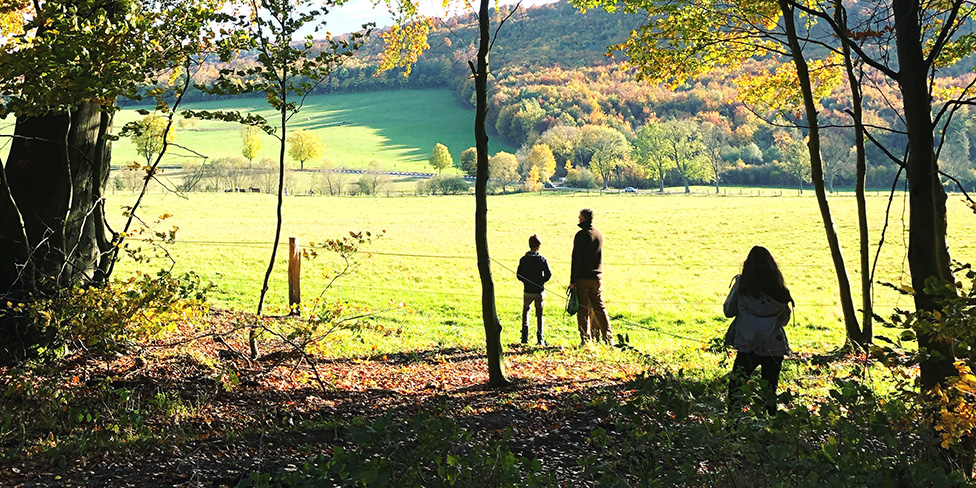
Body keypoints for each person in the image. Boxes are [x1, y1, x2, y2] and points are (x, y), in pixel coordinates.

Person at [723, 245, 793, 415]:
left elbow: (728, 311)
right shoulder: (779, 291)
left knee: (735, 390)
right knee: (769, 391)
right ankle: (770, 428)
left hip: (747, 346)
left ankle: (733, 425)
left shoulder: (743, 287)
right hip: (774, 347)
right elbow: (784, 320)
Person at [570, 208, 612, 345]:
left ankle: (585, 339)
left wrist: (572, 281)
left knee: (583, 310)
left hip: (583, 278)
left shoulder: (581, 235)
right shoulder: (599, 234)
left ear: (583, 219)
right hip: (597, 277)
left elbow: (576, 260)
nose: (578, 220)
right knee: (599, 307)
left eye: (579, 217)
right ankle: (608, 337)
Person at [516, 234, 552, 345]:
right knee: (539, 313)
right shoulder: (542, 259)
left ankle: (524, 336)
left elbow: (519, 275)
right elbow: (548, 274)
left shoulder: (523, 259)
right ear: (538, 247)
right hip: (539, 291)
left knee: (526, 311)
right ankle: (540, 337)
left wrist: (526, 281)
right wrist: (541, 281)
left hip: (527, 290)